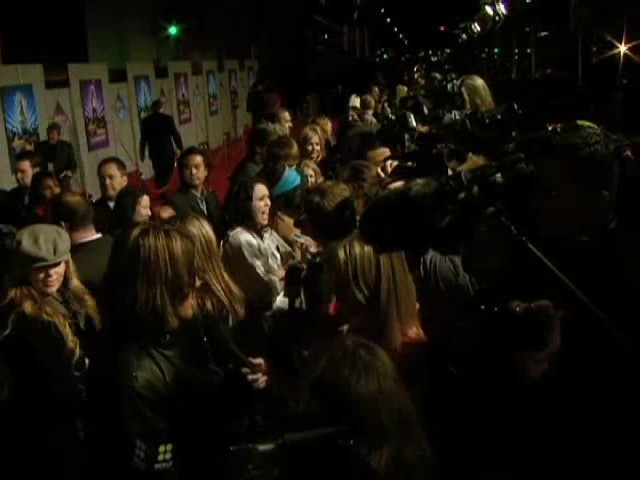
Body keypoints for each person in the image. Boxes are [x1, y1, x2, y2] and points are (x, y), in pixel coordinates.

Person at [0, 224, 101, 479]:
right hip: (49, 439)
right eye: (40, 267)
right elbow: (54, 388)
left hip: (79, 430)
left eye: (57, 264)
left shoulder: (76, 299)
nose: (51, 273)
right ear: (25, 270)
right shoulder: (25, 318)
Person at [167, 147, 223, 238]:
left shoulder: (212, 196)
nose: (193, 172)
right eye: (187, 168)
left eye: (197, 167)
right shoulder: (176, 201)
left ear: (206, 170)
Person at [139, 99, 183, 188]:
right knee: (169, 172)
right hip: (167, 151)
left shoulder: (145, 121)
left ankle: (161, 188)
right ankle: (169, 189)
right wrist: (180, 147)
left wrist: (142, 154)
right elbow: (175, 134)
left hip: (154, 153)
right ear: (161, 108)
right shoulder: (167, 118)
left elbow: (143, 139)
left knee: (159, 174)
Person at [35, 122, 77, 190]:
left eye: (53, 134)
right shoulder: (40, 147)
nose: (50, 136)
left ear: (58, 135)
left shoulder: (66, 146)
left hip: (63, 178)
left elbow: (73, 164)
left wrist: (68, 172)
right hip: (47, 178)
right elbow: (38, 163)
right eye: (49, 133)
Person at [94, 157, 129, 235]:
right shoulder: (93, 212)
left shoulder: (138, 204)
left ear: (124, 180)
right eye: (102, 178)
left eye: (111, 177)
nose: (106, 182)